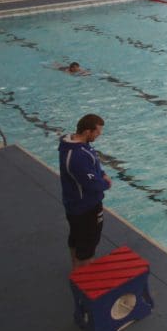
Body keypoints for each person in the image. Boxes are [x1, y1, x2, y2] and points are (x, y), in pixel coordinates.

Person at [59, 114, 110, 268]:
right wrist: (105, 183)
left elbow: (92, 166)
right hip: (86, 207)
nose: (99, 135)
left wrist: (102, 173)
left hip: (73, 204)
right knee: (88, 244)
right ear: (88, 132)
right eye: (97, 132)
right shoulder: (77, 156)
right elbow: (92, 184)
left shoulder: (73, 143)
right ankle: (86, 278)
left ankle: (76, 270)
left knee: (75, 237)